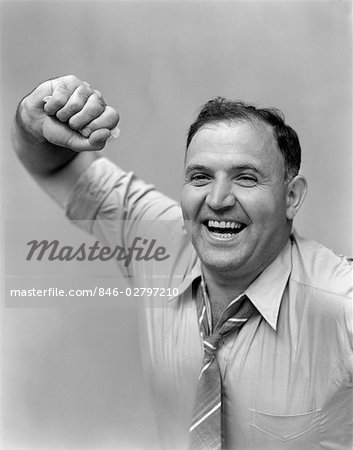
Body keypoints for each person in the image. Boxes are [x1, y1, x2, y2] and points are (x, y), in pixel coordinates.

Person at [12, 75, 353, 450]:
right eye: (201, 176)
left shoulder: (340, 304)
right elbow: (56, 168)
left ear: (292, 197)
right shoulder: (160, 242)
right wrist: (32, 119)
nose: (219, 198)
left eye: (246, 178)